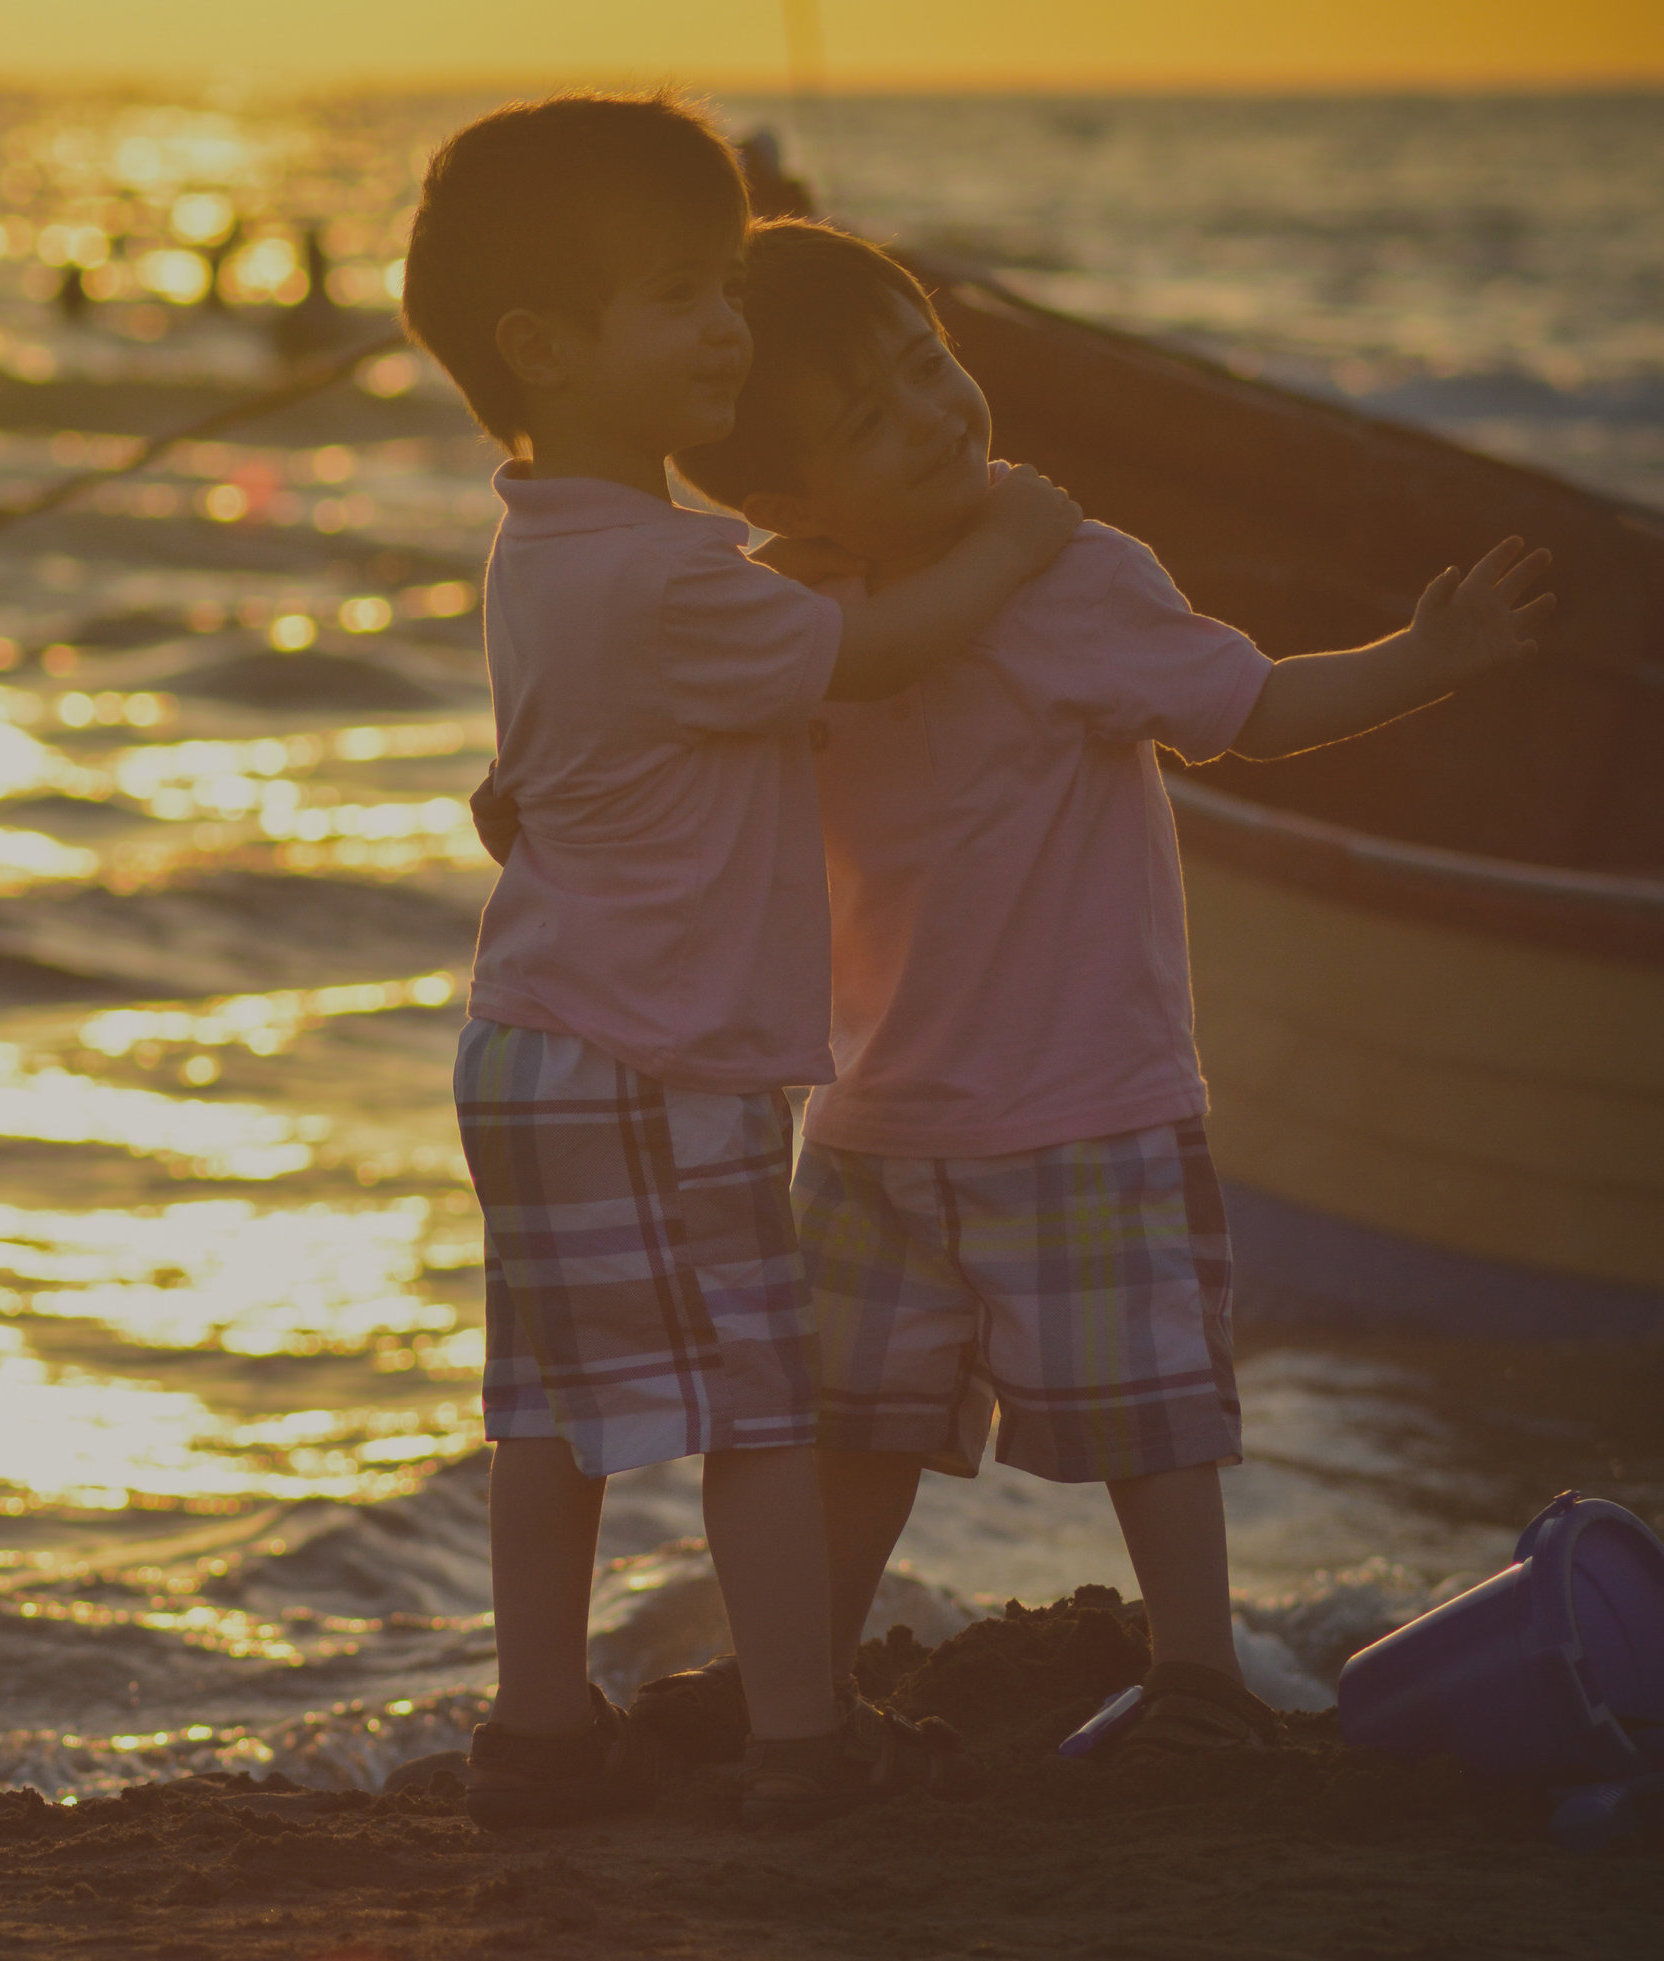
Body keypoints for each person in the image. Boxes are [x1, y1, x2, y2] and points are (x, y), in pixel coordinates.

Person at [596, 217, 1554, 1765]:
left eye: (932, 365)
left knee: (1148, 1415)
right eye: (872, 417)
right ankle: (806, 1678)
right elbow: (672, 758)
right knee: (853, 1422)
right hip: (873, 1118)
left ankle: (1198, 1674)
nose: (934, 415)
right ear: (787, 501)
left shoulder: (1081, 577)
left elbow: (1250, 705)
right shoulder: (796, 617)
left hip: (1083, 1100)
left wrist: (1420, 658)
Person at [400, 96, 1083, 1829]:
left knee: (550, 1407)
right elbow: (884, 648)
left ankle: (535, 1729)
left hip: (536, 1043)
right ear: (544, 347)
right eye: (679, 297)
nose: (728, 329)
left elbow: (621, 703)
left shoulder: (550, 543)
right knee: (757, 1413)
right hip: (664, 1061)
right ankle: (802, 1736)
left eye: (724, 287)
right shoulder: (682, 588)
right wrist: (1018, 538)